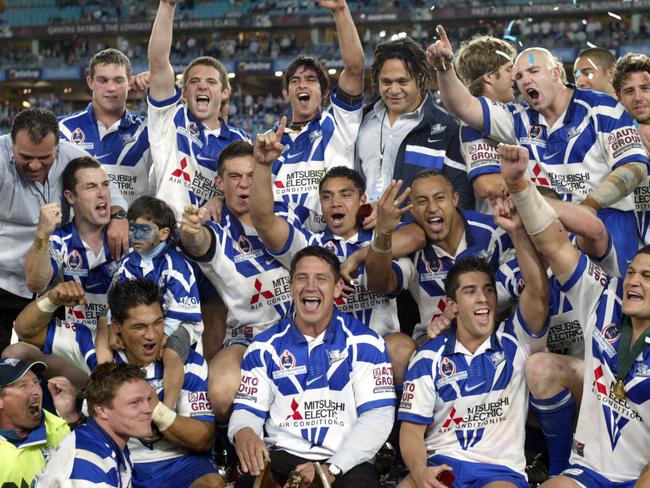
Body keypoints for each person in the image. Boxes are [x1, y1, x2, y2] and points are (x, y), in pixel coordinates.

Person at [428, 25, 649, 275]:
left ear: (556, 73)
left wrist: (589, 205)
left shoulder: (602, 107)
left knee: (618, 306)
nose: (525, 81)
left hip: (609, 221)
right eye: (519, 77)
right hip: (550, 228)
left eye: (533, 71)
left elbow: (635, 167)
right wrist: (444, 68)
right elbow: (464, 106)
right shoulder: (519, 119)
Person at [497, 142, 650, 487]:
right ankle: (559, 466)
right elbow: (554, 244)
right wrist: (520, 186)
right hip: (590, 471)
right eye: (633, 273)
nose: (634, 282)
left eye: (647, 276)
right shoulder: (604, 296)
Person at [251, 119, 418, 394]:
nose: (335, 202)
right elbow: (263, 220)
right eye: (327, 197)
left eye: (345, 195)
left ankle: (396, 434)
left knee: (400, 348)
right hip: (322, 350)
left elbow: (386, 276)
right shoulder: (310, 247)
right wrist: (263, 166)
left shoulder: (387, 242)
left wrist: (366, 252)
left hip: (376, 348)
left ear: (363, 201)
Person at [13, 279, 222, 488]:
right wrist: (51, 300)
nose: (152, 335)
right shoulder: (96, 347)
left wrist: (153, 407)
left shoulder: (186, 360)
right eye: (139, 326)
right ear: (118, 327)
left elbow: (202, 439)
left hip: (182, 464)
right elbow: (26, 331)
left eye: (158, 323)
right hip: (120, 459)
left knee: (211, 484)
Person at [228, 246, 396, 488]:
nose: (310, 287)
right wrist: (243, 431)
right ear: (290, 286)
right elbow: (248, 410)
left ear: (338, 287)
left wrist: (329, 469)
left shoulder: (366, 342)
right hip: (282, 455)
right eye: (301, 278)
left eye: (321, 279)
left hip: (345, 460)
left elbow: (378, 417)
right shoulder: (264, 346)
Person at [399, 226, 549, 488]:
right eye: (470, 291)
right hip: (442, 465)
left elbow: (537, 292)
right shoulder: (427, 357)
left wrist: (516, 232)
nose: (483, 298)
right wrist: (421, 472)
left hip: (499, 473)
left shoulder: (515, 342)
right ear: (452, 306)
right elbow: (411, 433)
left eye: (488, 290)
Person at [179, 140, 292, 420]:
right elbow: (199, 243)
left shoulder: (291, 214)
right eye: (235, 176)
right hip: (246, 336)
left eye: (252, 176)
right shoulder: (216, 227)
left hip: (297, 330)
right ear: (219, 182)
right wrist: (190, 232)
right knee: (220, 394)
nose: (244, 184)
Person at [0, 107, 127, 351]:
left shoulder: (71, 155)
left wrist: (119, 217)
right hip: (4, 281)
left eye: (45, 157)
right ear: (10, 142)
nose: (35, 165)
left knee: (44, 368)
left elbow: (113, 192)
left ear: (57, 146)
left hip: (54, 283)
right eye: (25, 157)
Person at [363, 170, 514, 341]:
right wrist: (383, 232)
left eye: (439, 198)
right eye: (421, 201)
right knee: (403, 348)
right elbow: (380, 285)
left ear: (455, 199)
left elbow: (523, 287)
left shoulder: (492, 231)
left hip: (494, 336)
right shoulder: (410, 245)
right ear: (412, 210)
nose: (432, 208)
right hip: (435, 338)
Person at [147, 0, 250, 222]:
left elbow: (250, 191)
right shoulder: (169, 119)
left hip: (216, 242)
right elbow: (158, 62)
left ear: (225, 92)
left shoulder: (239, 141)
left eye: (211, 82)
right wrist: (167, 5)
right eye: (194, 81)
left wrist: (222, 198)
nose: (202, 86)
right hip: (169, 237)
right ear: (183, 93)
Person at [99, 195, 203, 411]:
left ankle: (167, 408)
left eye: (144, 230)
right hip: (146, 325)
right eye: (132, 228)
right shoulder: (127, 264)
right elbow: (113, 299)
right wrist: (111, 329)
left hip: (181, 324)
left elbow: (182, 309)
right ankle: (105, 394)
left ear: (164, 233)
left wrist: (164, 335)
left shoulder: (176, 265)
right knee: (102, 334)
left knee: (171, 353)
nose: (136, 235)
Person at [269, 0, 365, 232]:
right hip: (284, 243)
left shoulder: (339, 123)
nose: (303, 85)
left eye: (311, 80)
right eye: (295, 81)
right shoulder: (270, 140)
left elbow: (354, 70)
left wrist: (340, 11)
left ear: (325, 93)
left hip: (334, 237)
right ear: (285, 93)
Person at [355, 37, 473, 213]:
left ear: (420, 79)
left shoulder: (447, 128)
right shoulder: (361, 121)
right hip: (361, 234)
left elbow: (460, 199)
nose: (394, 90)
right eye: (386, 82)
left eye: (403, 82)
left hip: (416, 235)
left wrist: (400, 219)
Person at [24, 156, 120, 329]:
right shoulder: (59, 241)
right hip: (72, 338)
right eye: (91, 187)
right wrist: (41, 236)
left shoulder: (124, 235)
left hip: (118, 339)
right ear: (70, 197)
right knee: (14, 353)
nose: (101, 193)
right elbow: (35, 284)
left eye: (105, 184)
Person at [32, 362, 153, 486]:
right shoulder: (87, 463)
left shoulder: (104, 443)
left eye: (148, 399)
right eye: (135, 402)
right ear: (102, 410)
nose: (148, 409)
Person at [59, 48, 153, 207]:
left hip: (130, 228)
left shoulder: (148, 130)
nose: (111, 88)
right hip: (78, 230)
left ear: (129, 83)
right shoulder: (62, 129)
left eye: (118, 80)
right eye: (103, 80)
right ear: (90, 82)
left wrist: (160, 86)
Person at [454, 34, 517, 211]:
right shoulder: (473, 124)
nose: (514, 77)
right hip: (498, 226)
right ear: (489, 76)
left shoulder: (510, 112)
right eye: (508, 69)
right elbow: (487, 185)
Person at [0, 358, 81, 486]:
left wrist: (72, 417)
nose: (37, 391)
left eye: (36, 382)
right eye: (23, 385)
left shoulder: (60, 428)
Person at [612, 53, 650, 246]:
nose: (638, 97)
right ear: (619, 96)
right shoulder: (611, 135)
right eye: (629, 91)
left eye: (645, 88)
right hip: (632, 248)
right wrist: (635, 130)